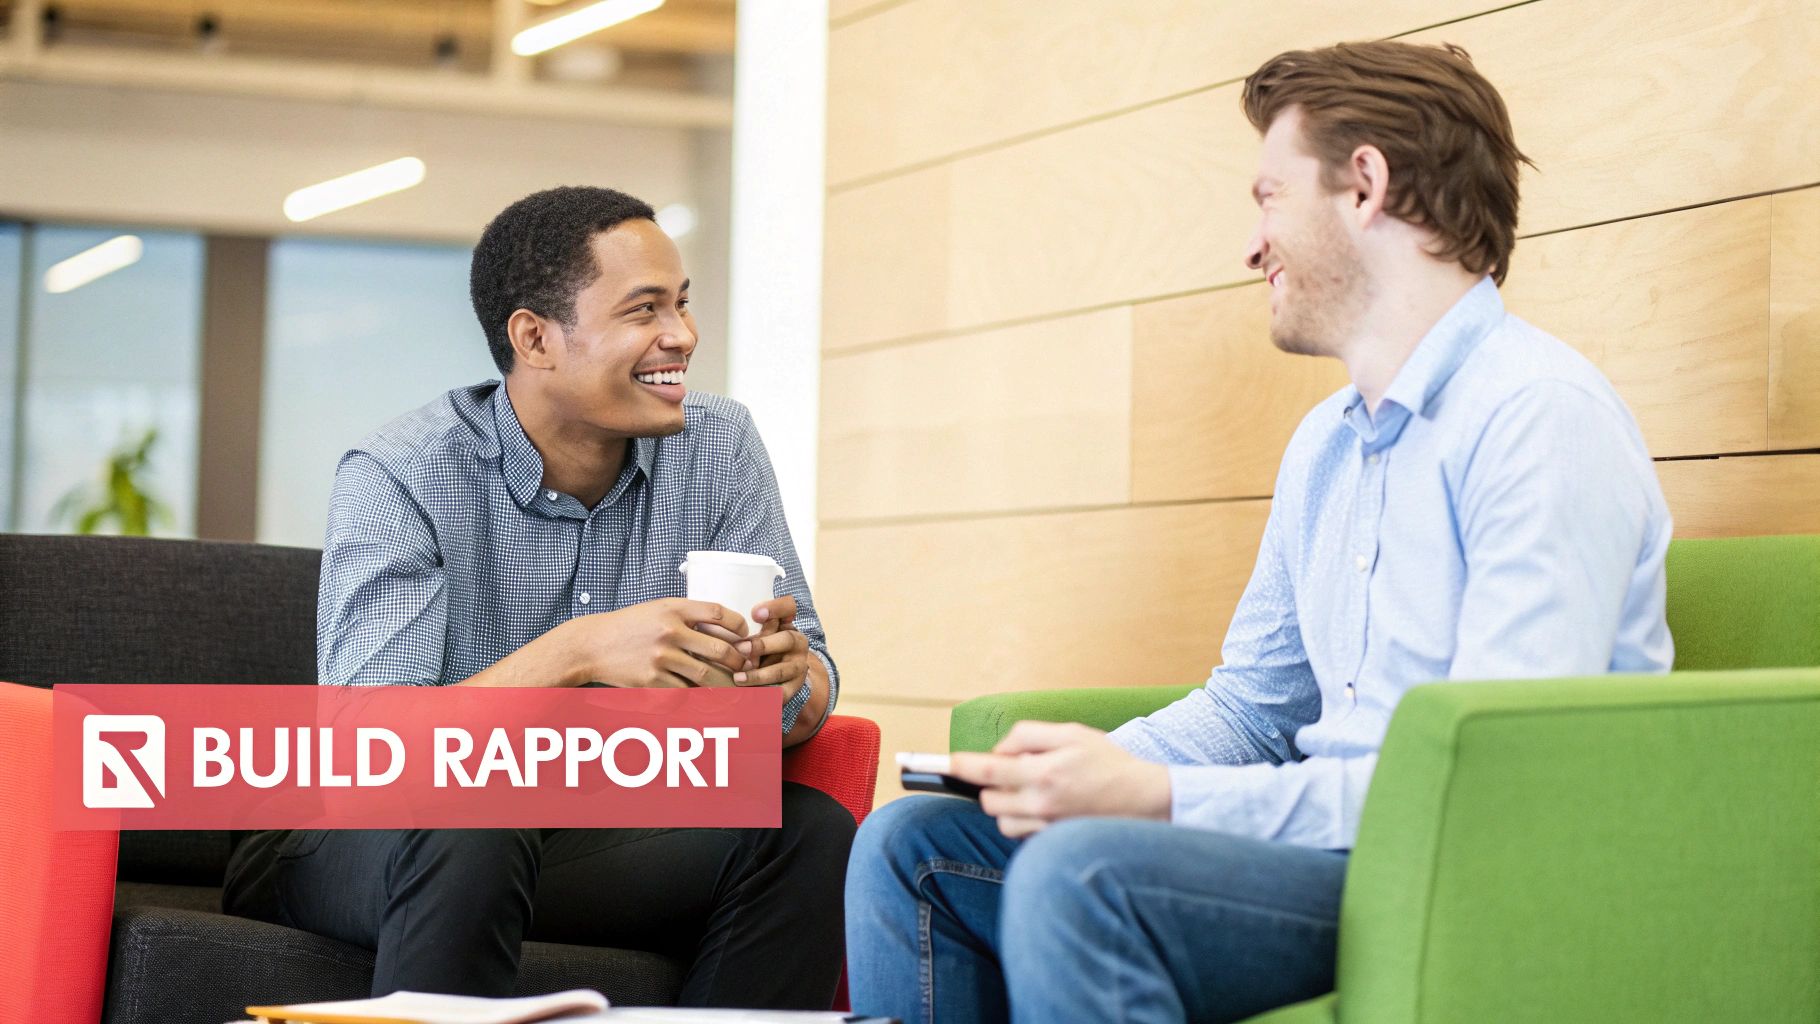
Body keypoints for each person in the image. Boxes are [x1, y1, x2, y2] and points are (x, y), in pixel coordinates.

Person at [845, 40, 1673, 1024]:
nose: (1252, 246)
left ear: (1363, 185)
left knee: (1082, 874)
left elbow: (1492, 781)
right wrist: (1088, 771)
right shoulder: (1325, 444)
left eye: (1269, 198)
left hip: (1471, 868)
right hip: (1329, 854)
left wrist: (1155, 798)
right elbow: (1251, 709)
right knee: (911, 844)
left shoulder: (1539, 417)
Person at [224, 186, 854, 1009]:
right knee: (476, 812)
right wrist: (581, 650)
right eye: (645, 310)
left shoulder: (720, 447)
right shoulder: (402, 471)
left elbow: (811, 687)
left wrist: (787, 680)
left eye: (682, 303)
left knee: (807, 833)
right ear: (534, 338)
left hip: (578, 830)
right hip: (359, 834)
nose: (682, 335)